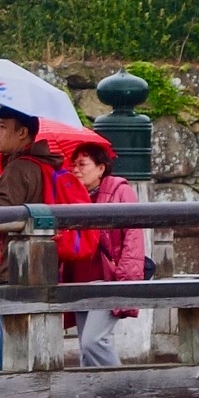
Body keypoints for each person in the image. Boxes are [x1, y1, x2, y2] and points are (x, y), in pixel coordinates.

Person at [0, 108, 58, 374]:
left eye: (3, 127)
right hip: (39, 264)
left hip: (16, 267)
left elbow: (0, 217)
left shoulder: (19, 168)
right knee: (17, 342)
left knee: (3, 357)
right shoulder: (43, 165)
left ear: (23, 133)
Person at [59, 138, 140, 368]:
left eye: (82, 164)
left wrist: (126, 281)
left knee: (93, 342)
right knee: (86, 351)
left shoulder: (120, 191)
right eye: (73, 164)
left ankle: (123, 389)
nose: (75, 169)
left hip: (107, 277)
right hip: (78, 278)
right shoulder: (72, 195)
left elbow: (133, 239)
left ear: (101, 168)